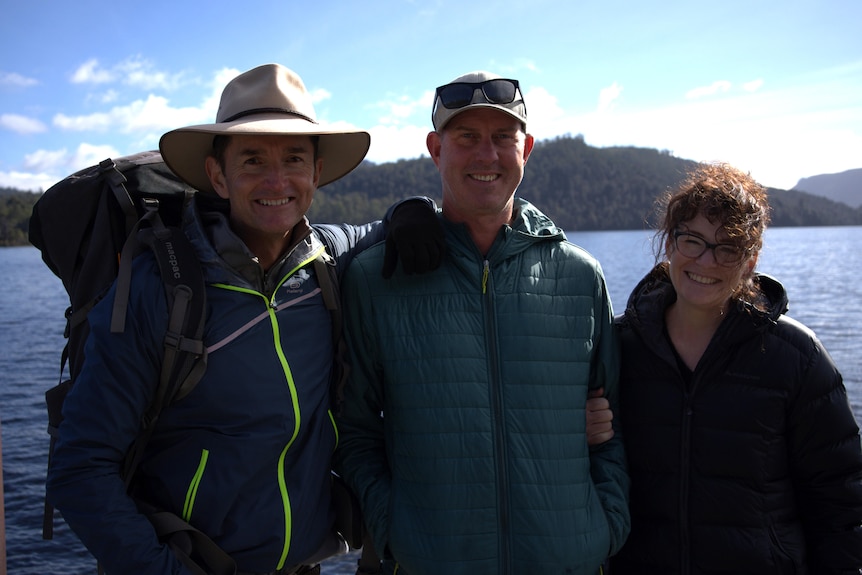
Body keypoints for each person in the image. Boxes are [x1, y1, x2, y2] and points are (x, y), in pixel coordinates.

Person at [46, 63, 442, 575]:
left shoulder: (324, 258)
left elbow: (384, 228)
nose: (276, 181)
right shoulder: (157, 290)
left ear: (316, 173)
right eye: (252, 160)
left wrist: (416, 208)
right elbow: (81, 469)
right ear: (218, 175)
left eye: (294, 159)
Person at [333, 71, 631, 575]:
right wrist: (394, 530)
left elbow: (615, 422)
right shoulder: (376, 276)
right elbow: (353, 429)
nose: (486, 155)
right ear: (435, 148)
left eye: (502, 137)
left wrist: (605, 525)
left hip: (568, 561)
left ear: (527, 148)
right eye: (467, 137)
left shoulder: (581, 276)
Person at [609, 162, 862, 574]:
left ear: (750, 260)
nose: (706, 262)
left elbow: (840, 502)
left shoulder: (796, 357)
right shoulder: (619, 347)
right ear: (670, 243)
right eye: (692, 240)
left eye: (727, 248)